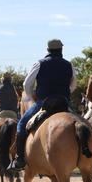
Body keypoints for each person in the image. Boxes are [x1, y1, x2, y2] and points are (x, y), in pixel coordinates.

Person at [9, 39, 77, 171]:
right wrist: (66, 93)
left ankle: (20, 159)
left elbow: (26, 84)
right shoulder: (69, 64)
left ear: (48, 50)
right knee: (80, 122)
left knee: (22, 124)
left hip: (44, 102)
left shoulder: (39, 63)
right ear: (61, 49)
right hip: (63, 102)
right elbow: (73, 84)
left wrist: (32, 96)